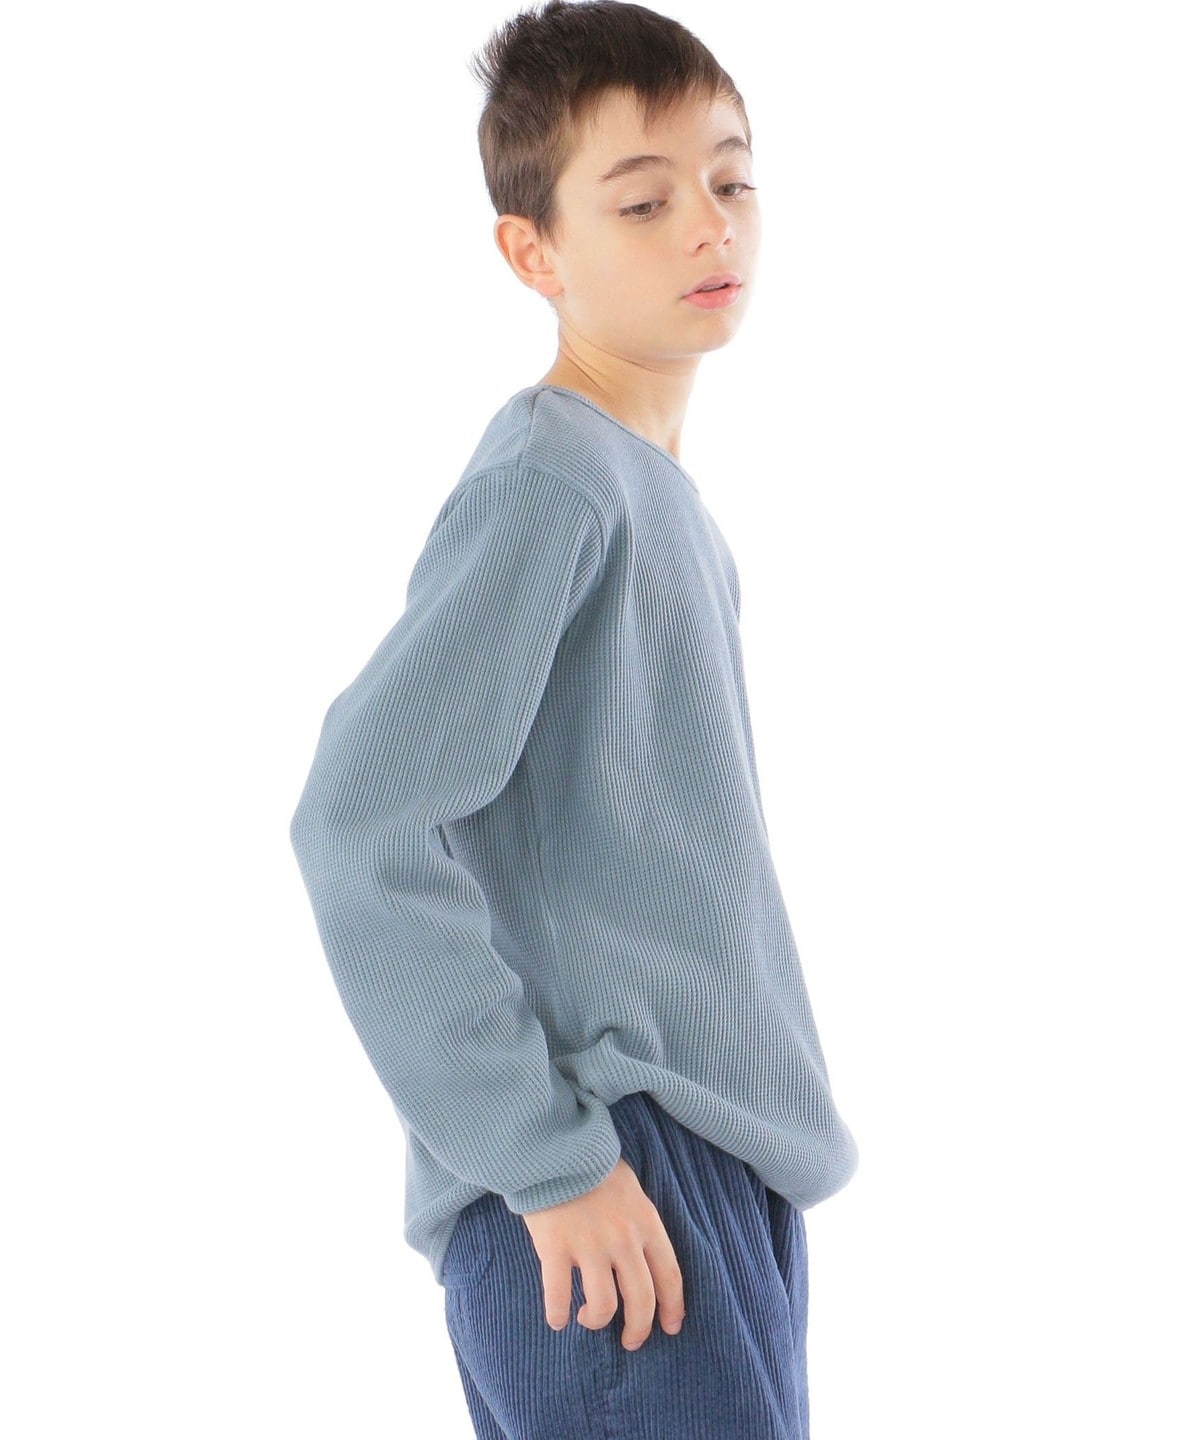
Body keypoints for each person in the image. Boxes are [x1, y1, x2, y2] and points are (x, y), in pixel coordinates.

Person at [288, 2, 859, 1435]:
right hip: (622, 1180)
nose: (709, 226)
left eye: (732, 179)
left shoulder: (657, 497)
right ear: (532, 251)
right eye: (643, 200)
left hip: (700, 1175)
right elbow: (359, 819)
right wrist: (547, 1158)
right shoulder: (557, 476)